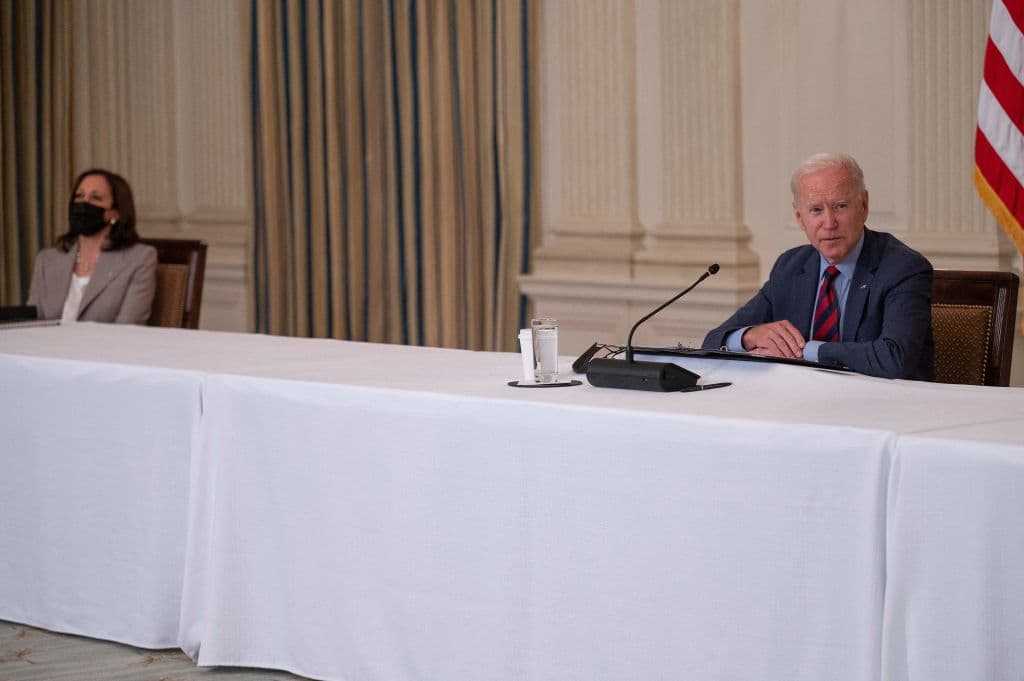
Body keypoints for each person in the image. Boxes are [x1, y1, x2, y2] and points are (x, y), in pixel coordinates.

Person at [702, 152, 934, 380]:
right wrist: (750, 336)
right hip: (803, 405)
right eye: (816, 210)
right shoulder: (790, 267)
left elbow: (894, 359)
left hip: (882, 409)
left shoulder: (903, 268)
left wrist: (804, 352)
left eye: (840, 206)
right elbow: (713, 339)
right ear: (799, 217)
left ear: (863, 205)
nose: (829, 223)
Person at [28, 168, 157, 324]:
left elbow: (128, 326)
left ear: (115, 213)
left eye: (96, 198)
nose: (84, 203)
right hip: (46, 347)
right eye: (79, 196)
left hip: (104, 347)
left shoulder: (139, 258)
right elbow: (31, 322)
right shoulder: (47, 260)